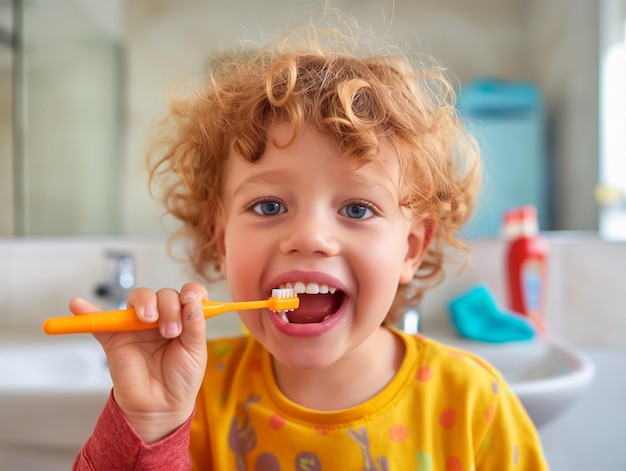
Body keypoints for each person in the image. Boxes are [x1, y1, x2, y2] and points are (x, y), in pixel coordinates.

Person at [71, 15, 549, 471]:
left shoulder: (473, 403)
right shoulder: (189, 396)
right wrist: (151, 425)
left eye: (357, 209)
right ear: (220, 241)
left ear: (410, 248)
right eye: (269, 207)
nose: (308, 238)